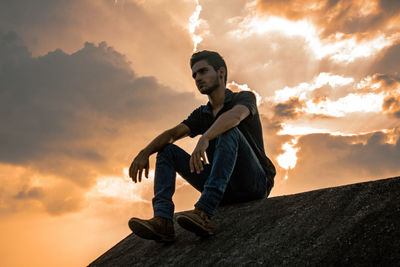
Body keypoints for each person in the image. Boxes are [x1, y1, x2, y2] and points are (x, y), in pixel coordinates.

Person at [128, 50, 276, 242]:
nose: (198, 78)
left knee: (228, 129)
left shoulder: (243, 98)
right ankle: (163, 221)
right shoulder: (202, 114)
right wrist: (145, 152)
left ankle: (204, 212)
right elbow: (172, 134)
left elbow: (235, 116)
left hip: (253, 184)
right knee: (167, 151)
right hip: (225, 189)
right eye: (194, 75)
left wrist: (205, 137)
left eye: (203, 71)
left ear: (221, 72)